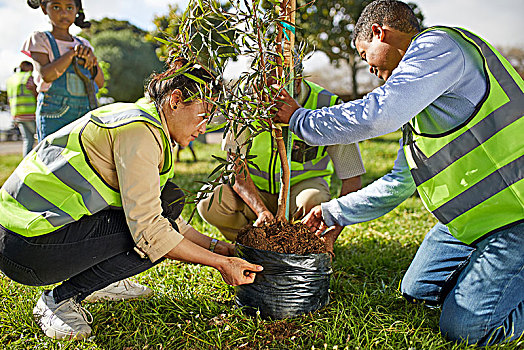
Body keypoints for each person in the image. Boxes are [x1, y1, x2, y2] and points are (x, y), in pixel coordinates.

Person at [274, 0, 523, 346]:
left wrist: (301, 120)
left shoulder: (440, 47)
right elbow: (396, 184)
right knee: (416, 290)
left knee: (466, 330)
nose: (370, 69)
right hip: (470, 224)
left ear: (378, 33)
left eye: (365, 55)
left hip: (517, 218)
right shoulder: (421, 111)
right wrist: (331, 211)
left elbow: (379, 114)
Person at [0, 57, 263, 340]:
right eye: (204, 114)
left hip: (26, 235)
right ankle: (59, 300)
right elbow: (152, 230)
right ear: (175, 100)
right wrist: (221, 264)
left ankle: (98, 281)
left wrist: (218, 247)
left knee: (169, 200)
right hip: (27, 247)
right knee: (154, 236)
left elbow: (162, 215)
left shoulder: (140, 119)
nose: (205, 127)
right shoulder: (139, 132)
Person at [197, 67, 365, 247]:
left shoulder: (327, 105)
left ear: (298, 81)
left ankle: (300, 245)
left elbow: (352, 178)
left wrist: (331, 234)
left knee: (314, 202)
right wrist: (261, 210)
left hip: (300, 191)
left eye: (275, 89)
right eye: (261, 87)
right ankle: (254, 243)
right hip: (254, 193)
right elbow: (235, 167)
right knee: (210, 202)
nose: (264, 98)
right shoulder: (244, 105)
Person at [23, 0, 104, 142]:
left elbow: (100, 82)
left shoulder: (84, 44)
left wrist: (92, 61)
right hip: (54, 113)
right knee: (53, 157)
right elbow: (47, 75)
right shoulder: (40, 39)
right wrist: (72, 54)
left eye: (69, 7)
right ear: (44, 9)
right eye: (56, 7)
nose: (63, 12)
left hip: (85, 111)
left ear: (77, 10)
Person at [5, 61, 37, 156]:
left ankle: (25, 164)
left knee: (28, 140)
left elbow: (8, 98)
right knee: (41, 138)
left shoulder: (11, 80)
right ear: (26, 67)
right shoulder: (27, 78)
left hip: (17, 114)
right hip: (30, 113)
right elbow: (36, 93)